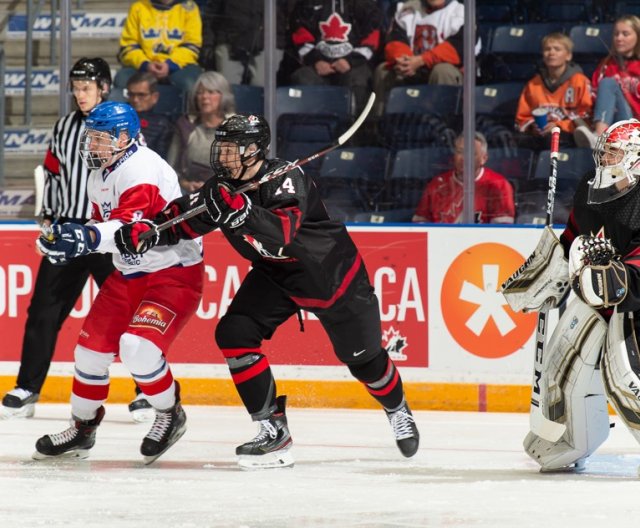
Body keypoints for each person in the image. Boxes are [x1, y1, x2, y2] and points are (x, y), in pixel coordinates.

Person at [114, 113, 420, 469]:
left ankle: (397, 409)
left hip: (331, 277)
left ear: (255, 150)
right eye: (222, 147)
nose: (223, 155)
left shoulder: (288, 179)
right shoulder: (222, 189)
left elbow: (282, 232)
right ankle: (272, 429)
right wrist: (151, 231)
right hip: (277, 276)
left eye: (232, 148)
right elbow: (187, 217)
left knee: (364, 360)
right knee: (234, 333)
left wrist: (243, 212)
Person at [32, 101, 204, 464]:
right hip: (128, 274)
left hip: (172, 274)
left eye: (99, 138)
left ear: (124, 137)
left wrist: (84, 239)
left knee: (137, 348)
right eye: (90, 137)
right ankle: (83, 428)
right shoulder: (102, 173)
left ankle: (170, 413)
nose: (91, 145)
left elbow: (128, 229)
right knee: (89, 353)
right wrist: (69, 240)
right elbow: (105, 232)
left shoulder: (141, 169)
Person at [502, 118, 640, 472]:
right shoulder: (592, 187)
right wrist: (549, 268)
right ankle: (570, 439)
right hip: (599, 300)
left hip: (635, 305)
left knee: (627, 380)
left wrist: (616, 276)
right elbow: (575, 235)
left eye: (613, 152)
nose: (604, 158)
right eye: (605, 150)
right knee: (562, 372)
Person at [0, 58, 129, 419]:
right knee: (43, 310)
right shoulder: (64, 127)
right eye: (75, 86)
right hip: (69, 231)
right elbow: (54, 174)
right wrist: (48, 217)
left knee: (128, 312)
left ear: (104, 87)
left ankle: (146, 392)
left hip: (106, 233)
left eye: (87, 86)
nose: (80, 93)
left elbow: (132, 174)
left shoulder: (121, 124)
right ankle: (27, 388)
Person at [373, 0, 479, 115]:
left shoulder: (462, 13)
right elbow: (395, 40)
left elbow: (458, 48)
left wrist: (422, 60)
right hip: (413, 69)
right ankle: (382, 124)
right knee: (383, 70)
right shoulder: (408, 9)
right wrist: (405, 61)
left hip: (445, 71)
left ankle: (444, 125)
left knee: (442, 71)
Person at [288, 0, 383, 113]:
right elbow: (300, 32)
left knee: (358, 81)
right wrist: (316, 61)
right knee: (303, 78)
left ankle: (355, 128)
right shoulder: (308, 3)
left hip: (354, 65)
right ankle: (313, 128)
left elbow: (372, 36)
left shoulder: (364, 4)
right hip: (316, 65)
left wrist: (350, 61)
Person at [412, 132, 515, 224]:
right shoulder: (437, 184)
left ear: (484, 158)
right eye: (460, 152)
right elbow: (420, 225)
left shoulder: (499, 185)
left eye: (472, 153)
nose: (464, 158)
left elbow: (502, 233)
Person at [515, 32, 596, 149]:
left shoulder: (580, 81)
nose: (551, 53)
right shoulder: (533, 84)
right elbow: (522, 118)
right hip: (539, 136)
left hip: (569, 135)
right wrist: (533, 126)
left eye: (557, 49)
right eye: (547, 49)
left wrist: (558, 126)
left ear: (568, 55)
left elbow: (586, 117)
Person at [166, 71, 236, 194]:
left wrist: (215, 186)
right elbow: (171, 167)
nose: (204, 97)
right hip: (186, 191)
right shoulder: (185, 125)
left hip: (224, 192)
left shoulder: (235, 127)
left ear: (223, 96)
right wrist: (186, 184)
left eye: (211, 92)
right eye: (200, 92)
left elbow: (240, 170)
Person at [114, 0, 203, 96]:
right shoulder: (138, 7)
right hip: (143, 66)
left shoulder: (189, 8)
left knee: (188, 82)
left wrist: (169, 65)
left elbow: (192, 46)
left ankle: (188, 111)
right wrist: (146, 65)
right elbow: (128, 47)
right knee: (122, 79)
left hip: (180, 66)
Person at [591, 15, 640, 136]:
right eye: (616, 34)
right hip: (613, 123)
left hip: (635, 126)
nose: (619, 38)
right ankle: (599, 135)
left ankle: (599, 137)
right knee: (608, 83)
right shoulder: (606, 64)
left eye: (625, 34)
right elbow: (593, 95)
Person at [126, 71, 175, 160]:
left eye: (141, 95)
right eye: (131, 94)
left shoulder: (163, 124)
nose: (135, 100)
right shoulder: (118, 116)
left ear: (154, 97)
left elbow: (161, 159)